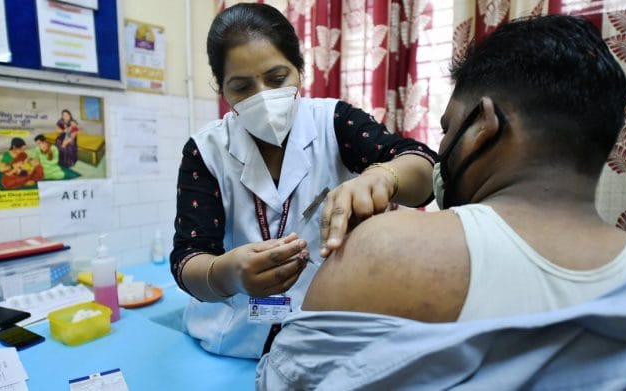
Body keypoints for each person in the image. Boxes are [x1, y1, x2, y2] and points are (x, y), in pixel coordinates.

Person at [257, 14, 626, 388]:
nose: (442, 147)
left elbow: (286, 380)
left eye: (447, 128)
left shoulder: (386, 248)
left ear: (483, 125)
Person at [170, 3, 437, 359]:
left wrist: (382, 176)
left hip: (323, 330)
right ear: (222, 89)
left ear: (300, 70)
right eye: (241, 87)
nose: (263, 97)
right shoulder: (206, 150)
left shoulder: (335, 122)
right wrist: (227, 274)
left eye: (277, 78)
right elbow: (188, 257)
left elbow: (422, 167)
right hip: (230, 336)